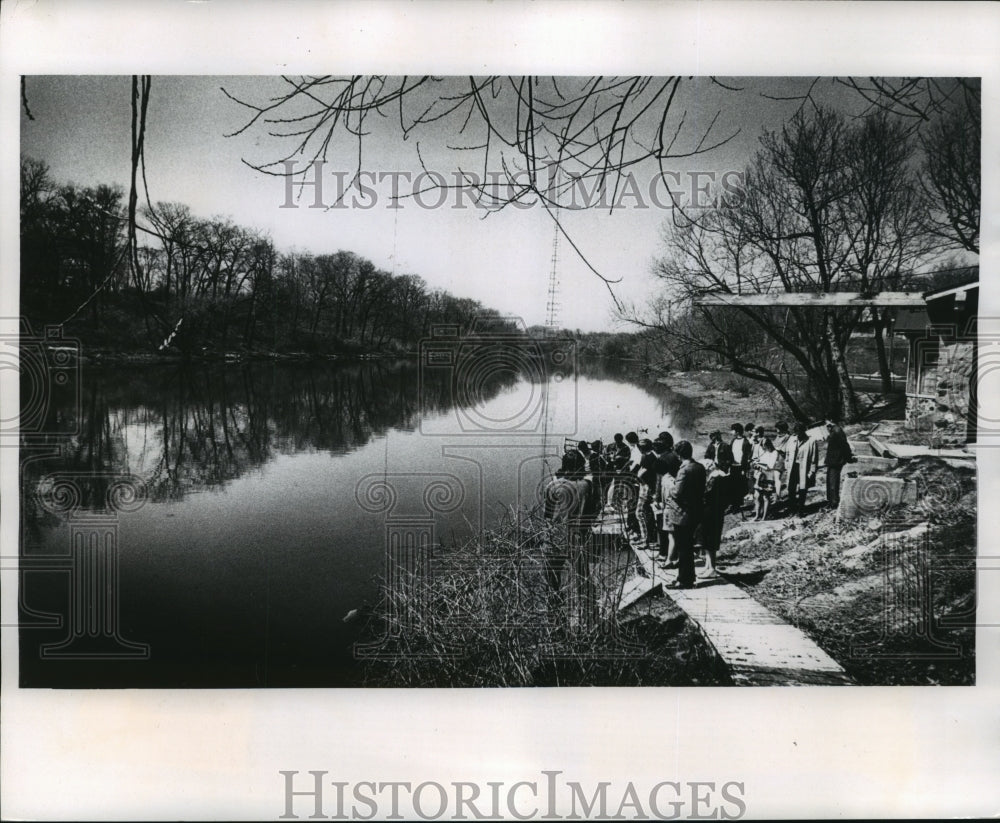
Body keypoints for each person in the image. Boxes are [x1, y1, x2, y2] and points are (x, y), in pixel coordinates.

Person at [665, 440, 706, 590]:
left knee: (683, 549)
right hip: (695, 511)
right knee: (687, 547)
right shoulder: (699, 467)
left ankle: (684, 580)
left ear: (678, 454)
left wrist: (670, 486)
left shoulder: (684, 470)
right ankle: (687, 577)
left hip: (682, 513)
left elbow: (677, 492)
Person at [700, 441, 732, 579]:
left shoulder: (716, 479)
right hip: (714, 512)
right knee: (708, 541)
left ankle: (712, 568)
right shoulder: (719, 476)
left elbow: (708, 496)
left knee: (710, 540)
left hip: (712, 513)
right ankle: (708, 566)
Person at [652, 434, 681, 565]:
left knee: (662, 526)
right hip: (674, 492)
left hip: (664, 495)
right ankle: (671, 552)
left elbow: (658, 481)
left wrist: (657, 498)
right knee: (673, 529)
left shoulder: (662, 459)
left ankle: (664, 553)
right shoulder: (675, 456)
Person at [785, 423, 818, 516]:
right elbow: (787, 454)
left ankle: (801, 510)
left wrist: (812, 471)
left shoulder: (811, 441)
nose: (798, 435)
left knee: (802, 489)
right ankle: (792, 509)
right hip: (792, 467)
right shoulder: (791, 439)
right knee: (791, 489)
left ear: (804, 432)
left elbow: (814, 459)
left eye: (800, 433)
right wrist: (786, 466)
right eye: (796, 433)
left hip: (803, 468)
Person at [823, 421, 854, 509]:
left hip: (836, 460)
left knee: (833, 482)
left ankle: (834, 502)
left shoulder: (837, 431)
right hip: (832, 460)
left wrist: (848, 458)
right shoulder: (834, 430)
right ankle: (831, 501)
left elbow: (844, 445)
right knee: (830, 481)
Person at [634, 439, 659, 546]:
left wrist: (636, 479)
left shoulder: (646, 457)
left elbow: (641, 474)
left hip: (645, 487)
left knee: (639, 513)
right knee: (649, 513)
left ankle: (645, 539)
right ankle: (651, 538)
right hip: (652, 487)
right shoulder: (654, 456)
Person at [752, 438, 779, 521]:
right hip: (761, 477)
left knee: (765, 497)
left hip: (769, 476)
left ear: (768, 445)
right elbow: (760, 461)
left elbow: (770, 466)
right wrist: (756, 464)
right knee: (756, 496)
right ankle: (757, 515)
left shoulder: (774, 453)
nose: (763, 448)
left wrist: (759, 464)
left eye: (764, 446)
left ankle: (764, 517)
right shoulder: (765, 453)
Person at [729, 423, 752, 512]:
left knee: (739, 486)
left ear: (737, 431)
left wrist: (744, 468)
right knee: (732, 486)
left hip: (740, 467)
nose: (731, 432)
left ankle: (737, 505)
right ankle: (733, 504)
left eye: (733, 430)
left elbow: (746, 456)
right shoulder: (733, 441)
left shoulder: (745, 442)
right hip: (733, 466)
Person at [772, 422, 790, 500]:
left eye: (778, 428)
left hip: (781, 459)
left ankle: (778, 496)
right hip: (775, 458)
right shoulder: (779, 436)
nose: (777, 430)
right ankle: (777, 494)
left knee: (777, 477)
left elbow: (785, 449)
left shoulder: (787, 437)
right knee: (775, 477)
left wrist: (776, 448)